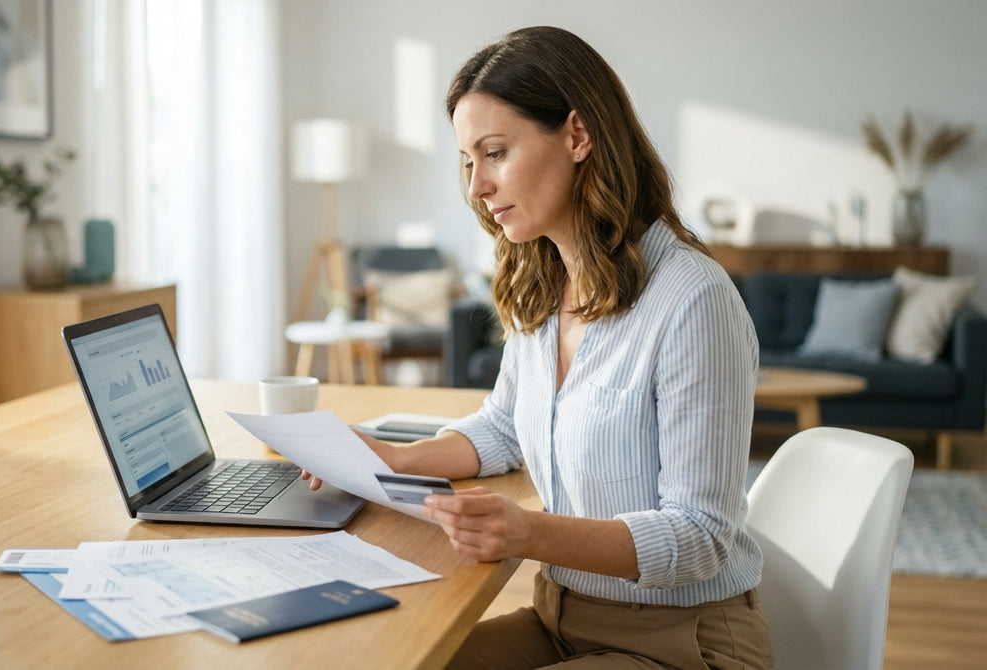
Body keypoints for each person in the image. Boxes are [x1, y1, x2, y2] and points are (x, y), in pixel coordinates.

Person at [304, 26, 772, 669]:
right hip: (560, 617)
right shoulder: (543, 281)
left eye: (494, 153)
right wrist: (392, 459)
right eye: (468, 161)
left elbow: (702, 537)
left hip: (684, 645)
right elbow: (504, 426)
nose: (476, 187)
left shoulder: (694, 301)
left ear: (578, 136)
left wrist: (528, 532)